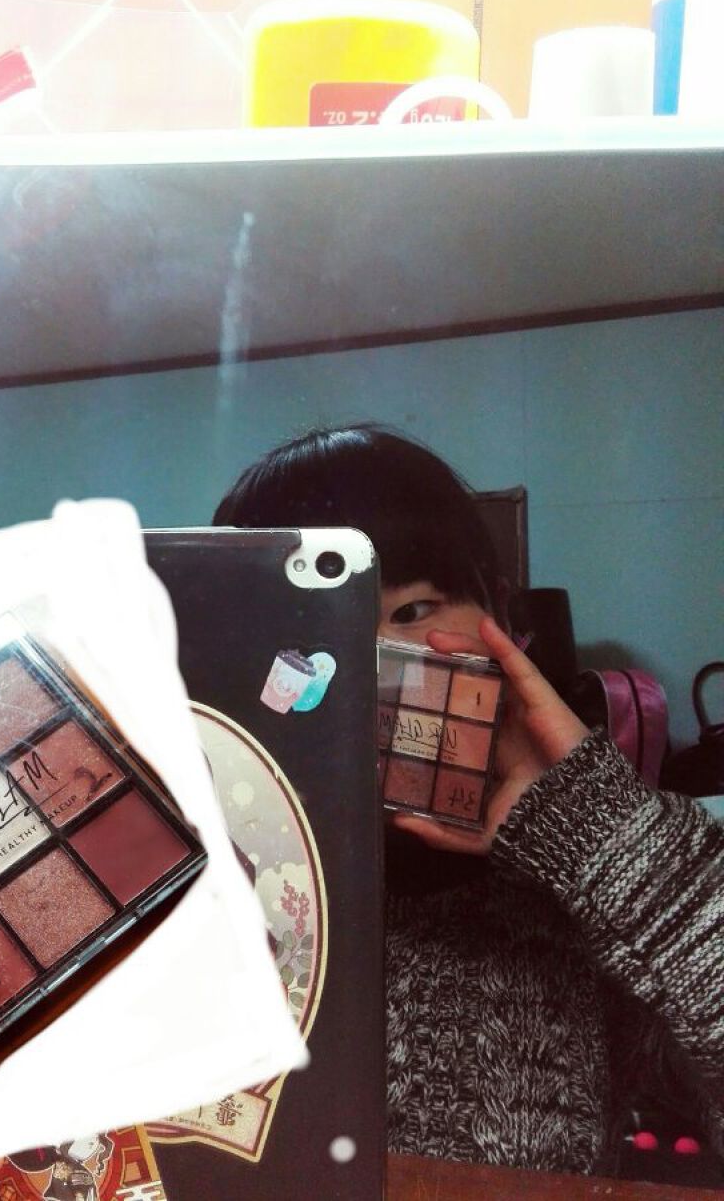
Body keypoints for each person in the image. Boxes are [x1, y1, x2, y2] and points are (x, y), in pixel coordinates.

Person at [213, 422, 724, 1177]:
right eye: (306, 627)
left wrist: (605, 835)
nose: (364, 666)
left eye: (412, 611)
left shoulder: (596, 905)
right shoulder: (207, 890)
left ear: (506, 622)